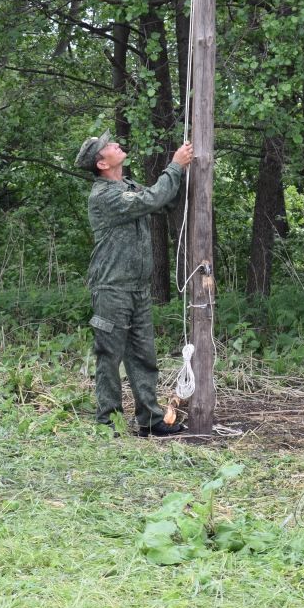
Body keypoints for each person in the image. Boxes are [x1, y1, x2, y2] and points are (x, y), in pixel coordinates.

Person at [74, 130, 194, 437]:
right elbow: (151, 198)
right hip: (112, 289)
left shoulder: (126, 186)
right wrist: (175, 167)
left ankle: (150, 420)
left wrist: (183, 175)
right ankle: (108, 422)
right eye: (108, 146)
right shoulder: (105, 196)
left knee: (143, 355)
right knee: (109, 357)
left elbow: (161, 202)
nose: (115, 144)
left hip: (138, 289)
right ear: (101, 164)